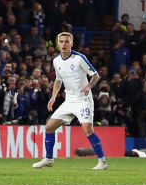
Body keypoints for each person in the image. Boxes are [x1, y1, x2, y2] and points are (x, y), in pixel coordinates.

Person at [31, 32, 108, 170]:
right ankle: (48, 159)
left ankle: (102, 162)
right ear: (58, 44)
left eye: (67, 41)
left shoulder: (79, 59)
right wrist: (53, 97)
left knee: (87, 129)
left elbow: (95, 75)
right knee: (49, 127)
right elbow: (58, 80)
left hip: (83, 100)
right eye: (61, 41)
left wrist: (89, 86)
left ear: (72, 44)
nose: (64, 44)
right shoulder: (56, 61)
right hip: (69, 100)